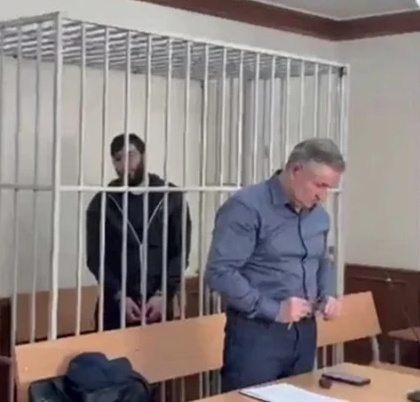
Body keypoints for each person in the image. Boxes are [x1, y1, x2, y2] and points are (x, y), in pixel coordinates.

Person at [205, 138, 345, 391]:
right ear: (296, 170)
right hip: (257, 335)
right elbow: (220, 272)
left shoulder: (319, 217)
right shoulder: (246, 207)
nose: (323, 196)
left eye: (330, 188)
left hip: (305, 334)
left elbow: (322, 259)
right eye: (319, 185)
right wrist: (275, 310)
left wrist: (329, 294)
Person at [86, 133, 192, 331]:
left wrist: (163, 294)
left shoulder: (171, 197)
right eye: (118, 159)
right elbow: (95, 258)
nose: (125, 164)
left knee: (159, 351)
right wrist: (119, 296)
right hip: (115, 307)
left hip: (159, 306)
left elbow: (180, 253)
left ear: (143, 156)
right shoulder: (103, 202)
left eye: (131, 155)